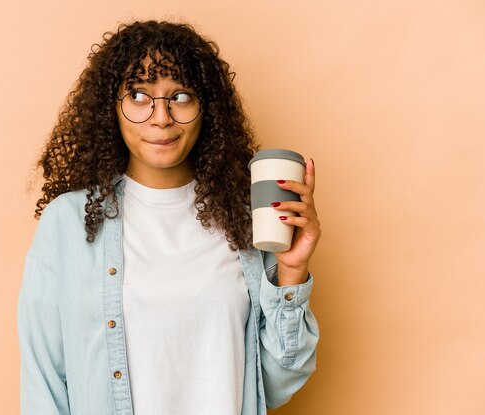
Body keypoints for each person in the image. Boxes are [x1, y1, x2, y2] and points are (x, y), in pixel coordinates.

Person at [17, 20, 321, 415]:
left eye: (180, 96)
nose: (161, 118)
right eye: (139, 95)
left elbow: (273, 384)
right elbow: (43, 385)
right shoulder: (69, 224)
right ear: (112, 107)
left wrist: (292, 272)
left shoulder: (245, 223)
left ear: (206, 108)